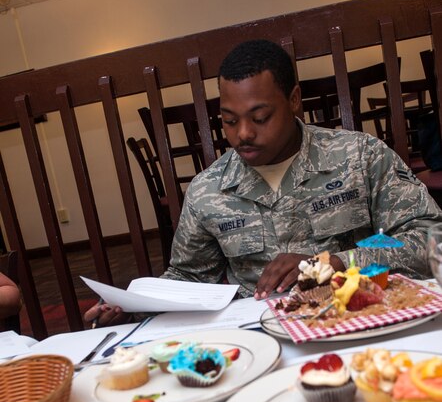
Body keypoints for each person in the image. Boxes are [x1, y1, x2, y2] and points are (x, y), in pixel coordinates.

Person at [84, 39, 442, 328]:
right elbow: (189, 277)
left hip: (360, 318)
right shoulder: (209, 190)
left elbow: (430, 239)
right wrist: (135, 305)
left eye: (260, 117)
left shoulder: (359, 157)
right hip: (258, 336)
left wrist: (340, 262)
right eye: (228, 120)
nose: (243, 134)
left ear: (294, 101)